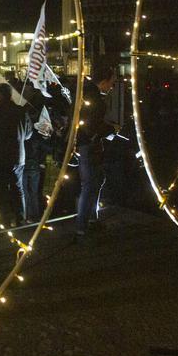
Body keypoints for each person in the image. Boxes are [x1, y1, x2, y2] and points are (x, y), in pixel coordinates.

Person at [75, 65, 116, 238]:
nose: (112, 86)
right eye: (111, 82)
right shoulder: (95, 99)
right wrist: (111, 129)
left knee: (95, 182)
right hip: (89, 147)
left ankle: (90, 219)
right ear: (104, 82)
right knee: (90, 185)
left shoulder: (84, 94)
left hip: (85, 145)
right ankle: (82, 226)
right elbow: (92, 127)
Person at [0, 82, 31, 227]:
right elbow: (29, 134)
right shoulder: (20, 111)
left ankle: (3, 220)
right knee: (18, 188)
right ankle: (21, 218)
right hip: (18, 155)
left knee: (0, 189)